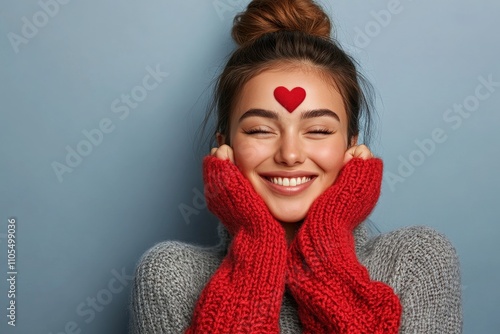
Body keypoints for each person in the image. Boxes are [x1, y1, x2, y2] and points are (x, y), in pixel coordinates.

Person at [128, 0, 462, 333]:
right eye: (260, 130)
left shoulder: (416, 261)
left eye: (318, 131)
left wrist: (325, 251)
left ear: (351, 147)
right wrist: (256, 254)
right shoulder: (170, 276)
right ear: (223, 149)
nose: (289, 154)